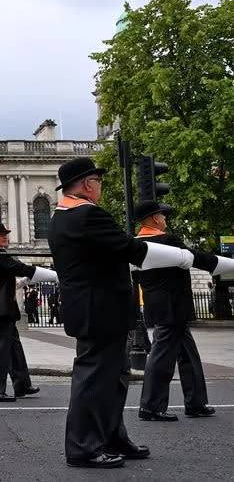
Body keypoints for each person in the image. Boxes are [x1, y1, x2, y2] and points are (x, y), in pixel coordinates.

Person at [48, 157, 211, 469]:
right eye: (98, 181)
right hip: (100, 309)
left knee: (115, 376)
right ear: (87, 184)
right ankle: (83, 446)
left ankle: (111, 436)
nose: (101, 187)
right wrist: (183, 257)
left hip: (94, 308)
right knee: (95, 378)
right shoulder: (86, 214)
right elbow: (131, 249)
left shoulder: (62, 216)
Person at [133, 201, 217, 421]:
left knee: (188, 354)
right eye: (161, 215)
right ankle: (151, 406)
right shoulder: (168, 240)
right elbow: (193, 258)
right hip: (174, 306)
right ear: (153, 219)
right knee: (161, 357)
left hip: (155, 305)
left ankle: (196, 402)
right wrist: (220, 264)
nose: (165, 219)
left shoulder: (135, 244)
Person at [0, 222, 56, 402]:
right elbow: (23, 269)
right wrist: (56, 276)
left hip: (4, 307)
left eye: (5, 233)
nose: (5, 236)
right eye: (0, 234)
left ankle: (22, 384)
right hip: (1, 309)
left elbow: (13, 279)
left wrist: (23, 281)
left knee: (14, 347)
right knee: (0, 349)